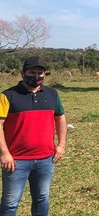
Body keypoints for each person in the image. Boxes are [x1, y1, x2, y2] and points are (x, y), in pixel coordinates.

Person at [0, 56, 67, 216]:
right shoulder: (8, 95)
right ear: (23, 74)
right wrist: (4, 153)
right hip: (15, 161)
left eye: (40, 73)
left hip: (46, 159)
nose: (36, 76)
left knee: (42, 198)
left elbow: (61, 118)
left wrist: (61, 145)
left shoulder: (52, 94)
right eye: (32, 72)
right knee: (10, 203)